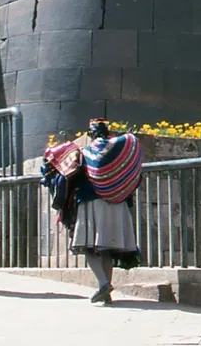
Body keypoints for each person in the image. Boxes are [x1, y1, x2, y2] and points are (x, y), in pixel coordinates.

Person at [41, 119, 141, 305]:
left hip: (92, 203)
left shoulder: (83, 153)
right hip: (117, 204)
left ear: (91, 134)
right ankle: (107, 289)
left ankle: (103, 284)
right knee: (107, 250)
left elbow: (68, 176)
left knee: (87, 247)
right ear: (107, 132)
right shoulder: (120, 152)